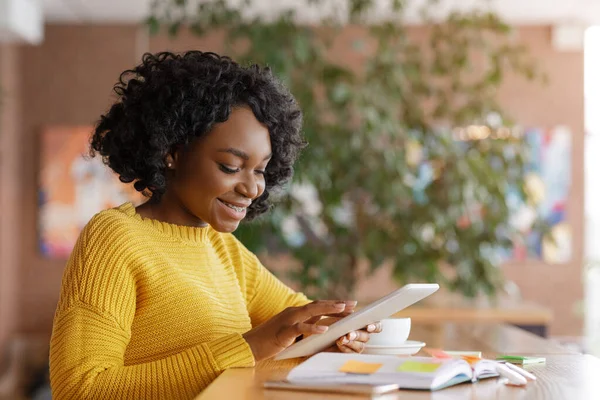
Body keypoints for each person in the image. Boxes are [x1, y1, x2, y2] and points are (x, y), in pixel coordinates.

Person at [49, 51, 382, 400]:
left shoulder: (224, 251)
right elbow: (80, 389)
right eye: (229, 166)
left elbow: (297, 325)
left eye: (260, 170)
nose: (252, 188)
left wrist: (337, 333)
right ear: (171, 152)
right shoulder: (115, 238)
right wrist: (248, 348)